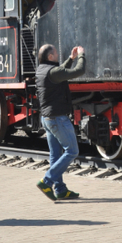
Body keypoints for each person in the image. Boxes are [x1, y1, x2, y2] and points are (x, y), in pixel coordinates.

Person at [35, 44, 86, 201]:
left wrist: (71, 59)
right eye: (55, 53)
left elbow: (60, 71)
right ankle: (47, 181)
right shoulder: (53, 72)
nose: (57, 55)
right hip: (57, 119)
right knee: (72, 151)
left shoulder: (41, 70)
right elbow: (79, 71)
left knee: (55, 155)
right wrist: (81, 55)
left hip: (47, 119)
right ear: (50, 57)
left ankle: (60, 190)